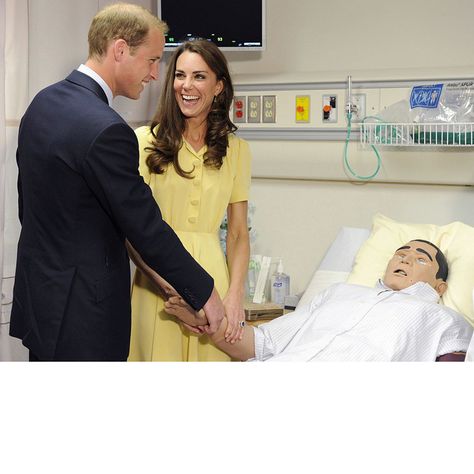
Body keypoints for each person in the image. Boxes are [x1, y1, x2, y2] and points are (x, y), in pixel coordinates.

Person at [9, 3, 225, 362]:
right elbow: (145, 229)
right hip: (85, 316)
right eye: (152, 60)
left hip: (43, 301)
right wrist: (206, 295)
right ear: (120, 50)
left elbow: (27, 205)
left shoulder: (43, 104)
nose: (155, 74)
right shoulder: (106, 130)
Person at [127, 39, 252, 361]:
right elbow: (131, 228)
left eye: (199, 76)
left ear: (219, 86)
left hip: (213, 287)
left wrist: (235, 296)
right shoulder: (144, 142)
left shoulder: (236, 150)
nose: (187, 85)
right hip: (157, 285)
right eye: (180, 75)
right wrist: (171, 289)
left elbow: (238, 233)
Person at [166, 239, 473, 361]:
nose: (405, 259)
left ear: (440, 286)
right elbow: (263, 345)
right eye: (401, 253)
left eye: (420, 259)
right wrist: (209, 322)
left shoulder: (443, 320)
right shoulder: (340, 293)